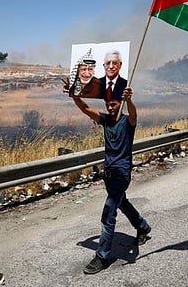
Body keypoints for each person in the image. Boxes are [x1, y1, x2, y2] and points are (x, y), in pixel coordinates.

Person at [68, 86, 151, 274]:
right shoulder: (106, 120)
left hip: (122, 173)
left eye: (113, 104)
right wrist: (74, 95)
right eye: (108, 104)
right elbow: (86, 109)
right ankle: (143, 227)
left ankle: (102, 256)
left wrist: (129, 100)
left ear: (120, 103)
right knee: (121, 202)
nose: (110, 107)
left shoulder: (127, 122)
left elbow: (133, 115)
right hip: (109, 173)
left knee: (108, 212)